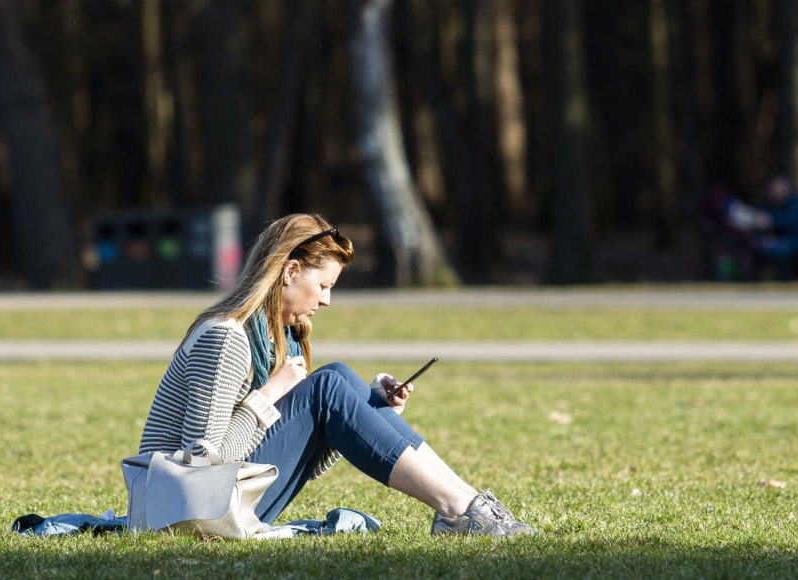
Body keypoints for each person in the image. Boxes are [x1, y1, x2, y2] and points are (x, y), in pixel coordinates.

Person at [138, 213, 533, 537]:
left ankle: (468, 505)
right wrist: (270, 394)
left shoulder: (281, 340)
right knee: (329, 384)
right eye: (323, 285)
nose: (326, 300)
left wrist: (371, 411)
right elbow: (201, 460)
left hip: (222, 505)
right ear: (290, 271)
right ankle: (457, 510)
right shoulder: (226, 337)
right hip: (180, 514)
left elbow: (304, 460)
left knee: (340, 380)